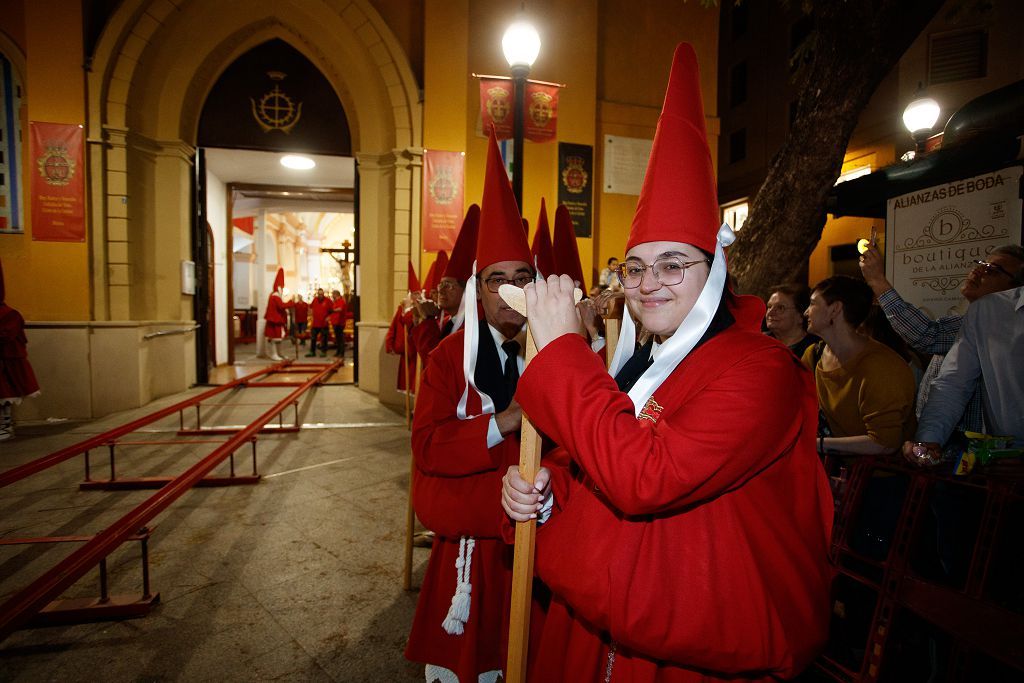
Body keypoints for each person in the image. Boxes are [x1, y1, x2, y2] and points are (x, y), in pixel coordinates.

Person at [501, 43, 832, 681]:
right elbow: (590, 467)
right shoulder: (638, 364)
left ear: (716, 271)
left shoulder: (761, 371)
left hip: (697, 656)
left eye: (674, 264)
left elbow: (645, 477)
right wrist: (540, 497)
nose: (649, 283)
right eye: (636, 267)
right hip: (598, 626)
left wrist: (565, 350)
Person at [405, 128, 537, 682]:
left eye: (520, 279)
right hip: (465, 555)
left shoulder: (561, 353)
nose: (508, 290)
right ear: (479, 292)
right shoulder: (446, 358)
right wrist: (502, 422)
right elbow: (428, 449)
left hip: (536, 550)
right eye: (496, 280)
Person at [860, 243, 1024, 433]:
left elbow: (927, 335)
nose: (978, 270)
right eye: (981, 263)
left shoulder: (994, 325)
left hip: (963, 447)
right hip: (938, 438)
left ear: (1014, 291)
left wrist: (877, 281)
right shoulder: (971, 318)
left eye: (992, 270)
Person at [0, 259, 41, 441]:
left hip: (6, 362)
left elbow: (6, 335)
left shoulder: (9, 315)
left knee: (5, 395)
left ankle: (5, 424)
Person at [765, 282, 817, 358]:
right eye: (769, 306)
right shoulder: (760, 342)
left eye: (780, 308)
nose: (770, 312)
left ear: (801, 316)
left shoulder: (814, 352)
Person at [263, 268, 288, 361]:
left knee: (278, 338)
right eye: (282, 287)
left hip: (276, 319)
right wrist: (290, 303)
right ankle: (273, 354)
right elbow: (281, 306)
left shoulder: (273, 295)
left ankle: (279, 353)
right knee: (273, 338)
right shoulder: (275, 296)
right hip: (274, 319)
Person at [306, 288, 332, 358]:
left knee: (324, 339)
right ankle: (312, 351)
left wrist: (329, 317)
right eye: (319, 294)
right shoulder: (315, 300)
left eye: (322, 294)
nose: (320, 295)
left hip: (324, 323)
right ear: (317, 294)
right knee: (313, 338)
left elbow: (332, 310)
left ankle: (324, 352)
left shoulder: (328, 300)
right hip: (315, 323)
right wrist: (310, 312)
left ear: (323, 294)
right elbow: (310, 307)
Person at [329, 289, 348, 363]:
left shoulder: (341, 301)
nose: (332, 296)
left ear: (336, 295)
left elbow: (340, 309)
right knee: (337, 338)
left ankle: (341, 353)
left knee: (340, 339)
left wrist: (333, 310)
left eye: (333, 294)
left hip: (340, 323)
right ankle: (338, 351)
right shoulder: (335, 301)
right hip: (335, 322)